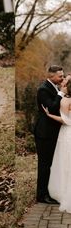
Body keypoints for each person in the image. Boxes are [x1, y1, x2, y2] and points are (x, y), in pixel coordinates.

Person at [34, 65, 66, 204]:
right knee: (44, 164)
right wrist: (60, 94)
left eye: (63, 76)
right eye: (60, 76)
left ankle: (49, 191)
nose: (62, 78)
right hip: (44, 133)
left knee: (51, 164)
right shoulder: (43, 90)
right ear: (51, 76)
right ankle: (41, 196)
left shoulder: (55, 87)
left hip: (53, 131)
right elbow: (52, 109)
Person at [42, 76, 71, 213]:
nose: (62, 82)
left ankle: (64, 191)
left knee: (65, 162)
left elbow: (66, 120)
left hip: (67, 133)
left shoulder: (65, 100)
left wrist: (49, 115)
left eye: (65, 81)